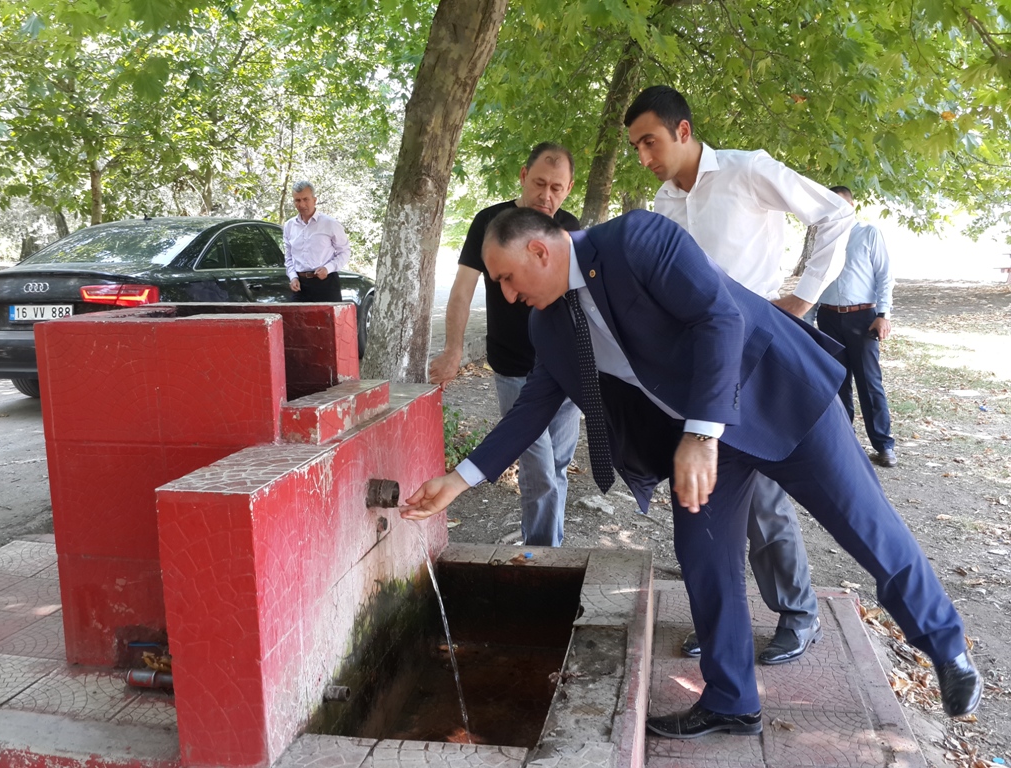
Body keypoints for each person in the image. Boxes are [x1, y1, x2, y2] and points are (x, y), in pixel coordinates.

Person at [400, 207, 981, 739]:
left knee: (866, 527)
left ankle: (947, 648)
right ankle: (732, 700)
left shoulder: (636, 239)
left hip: (780, 398)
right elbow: (532, 409)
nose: (506, 294)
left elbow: (718, 317)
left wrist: (701, 434)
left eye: (506, 278)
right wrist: (458, 480)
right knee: (703, 555)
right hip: (706, 443)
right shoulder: (548, 327)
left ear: (539, 251)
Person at [623, 85, 854, 665]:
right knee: (708, 500)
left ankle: (798, 613)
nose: (644, 157)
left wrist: (801, 299)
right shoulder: (663, 204)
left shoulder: (746, 171)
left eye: (649, 142)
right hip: (694, 369)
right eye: (635, 148)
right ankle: (723, 620)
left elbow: (836, 213)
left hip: (755, 358)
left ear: (682, 130)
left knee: (764, 498)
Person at [428, 143, 581, 547]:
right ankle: (543, 555)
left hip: (564, 370)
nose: (546, 196)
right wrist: (453, 350)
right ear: (523, 175)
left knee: (558, 466)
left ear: (568, 189)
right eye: (539, 183)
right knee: (540, 470)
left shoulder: (570, 228)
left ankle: (545, 547)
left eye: (557, 188)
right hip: (514, 367)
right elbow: (462, 289)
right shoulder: (489, 222)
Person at [817, 185, 898, 468]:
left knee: (869, 382)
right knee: (836, 382)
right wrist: (807, 318)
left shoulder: (868, 233)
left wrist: (883, 314)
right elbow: (814, 279)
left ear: (851, 206)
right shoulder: (821, 237)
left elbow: (884, 275)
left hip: (863, 318)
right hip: (827, 318)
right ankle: (844, 444)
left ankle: (884, 445)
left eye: (840, 204)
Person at [283, 180, 351, 303]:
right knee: (296, 316)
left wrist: (328, 268)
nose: (302, 204)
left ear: (314, 200)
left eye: (306, 199)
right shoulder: (289, 226)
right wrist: (293, 277)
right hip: (300, 286)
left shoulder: (330, 224)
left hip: (326, 283)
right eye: (297, 200)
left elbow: (344, 252)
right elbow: (288, 257)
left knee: (328, 316)